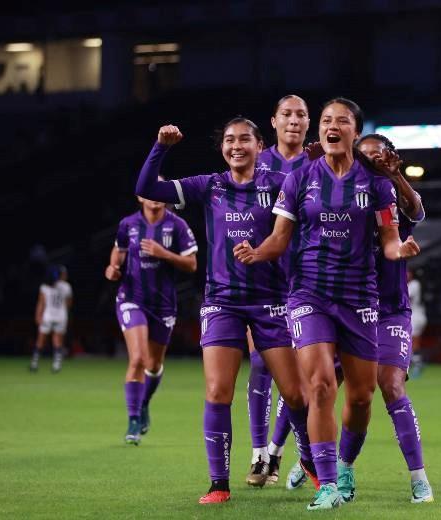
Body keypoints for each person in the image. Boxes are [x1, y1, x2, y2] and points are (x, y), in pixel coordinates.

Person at [234, 97, 420, 510]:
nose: (332, 126)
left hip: (359, 298)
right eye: (326, 121)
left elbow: (388, 242)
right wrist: (258, 252)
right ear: (321, 131)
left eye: (342, 121)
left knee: (360, 398)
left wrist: (400, 250)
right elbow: (281, 237)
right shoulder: (299, 178)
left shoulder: (377, 185)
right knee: (319, 385)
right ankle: (327, 485)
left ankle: (346, 464)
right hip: (308, 296)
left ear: (355, 130)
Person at [135, 120, 315, 505]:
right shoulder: (210, 185)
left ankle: (312, 462)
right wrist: (160, 146)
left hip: (272, 301)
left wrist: (313, 164)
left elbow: (309, 204)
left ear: (259, 144)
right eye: (229, 140)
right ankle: (219, 484)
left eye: (244, 139)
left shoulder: (278, 182)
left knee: (296, 394)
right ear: (222, 149)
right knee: (218, 391)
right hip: (222, 302)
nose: (236, 146)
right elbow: (147, 188)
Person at [356, 133, 434, 503]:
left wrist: (397, 177)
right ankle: (311, 461)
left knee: (391, 386)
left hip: (389, 309)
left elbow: (417, 211)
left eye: (378, 156)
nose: (372, 162)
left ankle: (419, 477)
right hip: (347, 307)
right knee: (316, 388)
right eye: (365, 157)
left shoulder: (392, 201)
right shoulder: (343, 199)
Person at [247, 94, 312, 486]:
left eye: (301, 114)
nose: (293, 120)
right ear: (273, 121)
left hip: (306, 280)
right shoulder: (255, 162)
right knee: (259, 363)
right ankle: (259, 454)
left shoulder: (320, 165)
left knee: (297, 377)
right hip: (263, 282)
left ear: (309, 122)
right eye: (286, 114)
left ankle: (276, 449)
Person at [106, 191, 198, 445]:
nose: (155, 196)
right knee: (137, 358)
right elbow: (119, 252)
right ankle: (133, 420)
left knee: (153, 365)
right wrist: (113, 268)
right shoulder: (128, 224)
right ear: (139, 197)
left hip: (163, 304)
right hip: (131, 297)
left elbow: (191, 264)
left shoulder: (177, 225)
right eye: (150, 191)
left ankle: (144, 401)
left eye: (160, 191)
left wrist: (163, 253)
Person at [31, 266, 73, 373]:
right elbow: (68, 304)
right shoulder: (66, 287)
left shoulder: (45, 287)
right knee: (58, 341)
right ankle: (56, 365)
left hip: (48, 316)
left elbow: (41, 303)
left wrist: (38, 315)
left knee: (40, 341)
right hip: (61, 316)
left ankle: (34, 363)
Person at [407, 268, 427, 378]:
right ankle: (415, 363)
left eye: (408, 272)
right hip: (416, 315)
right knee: (412, 342)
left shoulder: (414, 284)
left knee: (412, 342)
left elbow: (407, 298)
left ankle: (418, 364)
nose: (406, 274)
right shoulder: (410, 284)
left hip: (416, 316)